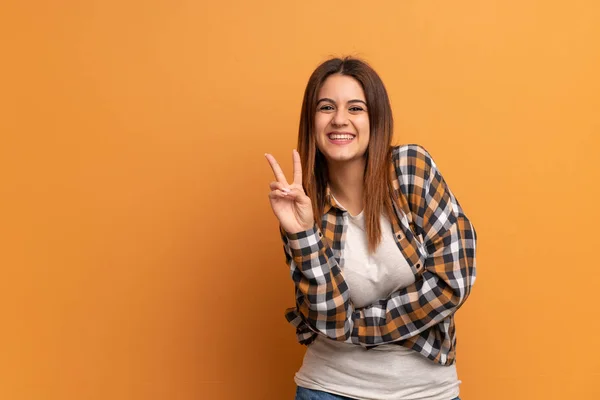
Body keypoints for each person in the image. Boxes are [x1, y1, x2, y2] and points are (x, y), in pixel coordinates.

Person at [264, 57, 477, 400]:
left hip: (425, 391)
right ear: (311, 121)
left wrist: (360, 327)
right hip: (328, 389)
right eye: (326, 107)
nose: (339, 120)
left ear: (375, 118)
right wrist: (301, 234)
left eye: (355, 108)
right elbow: (330, 319)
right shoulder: (303, 205)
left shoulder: (410, 168)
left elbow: (454, 278)